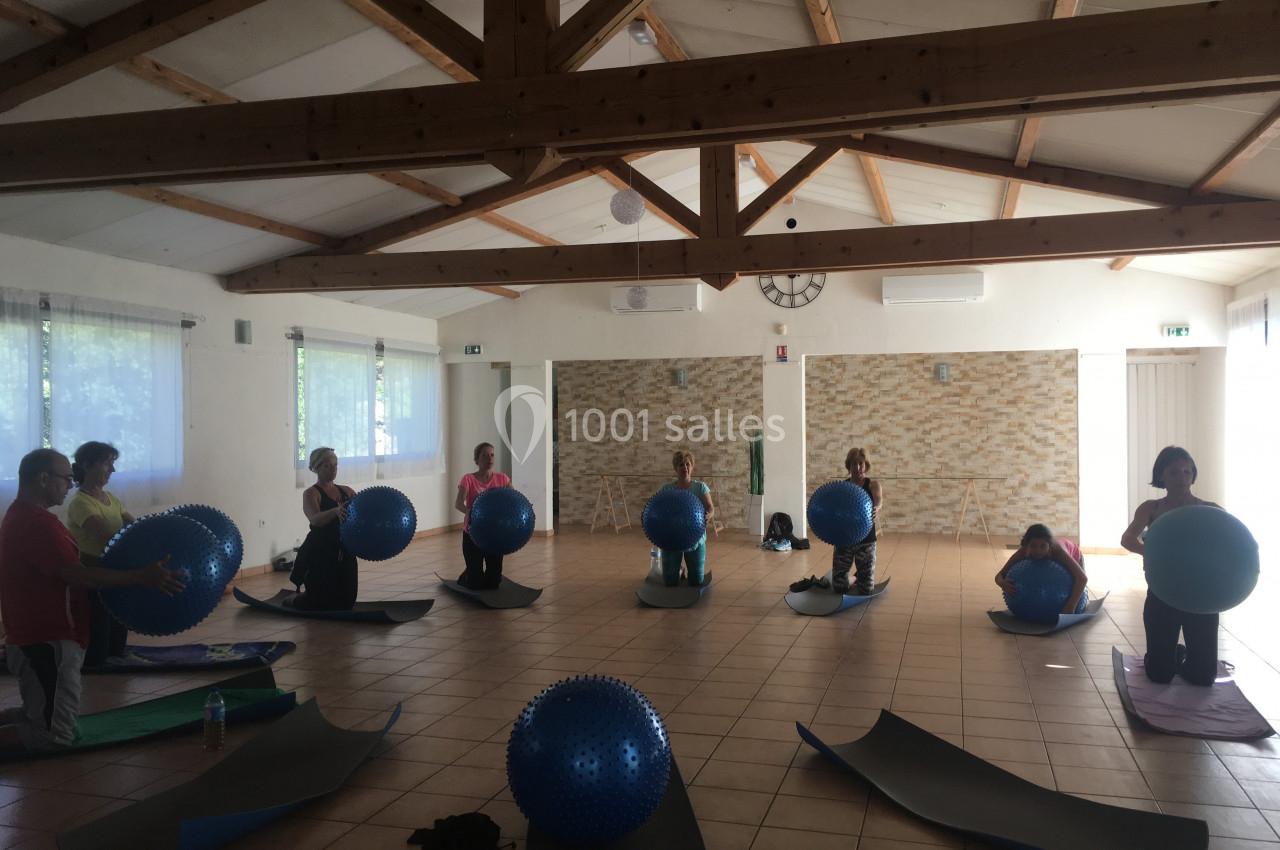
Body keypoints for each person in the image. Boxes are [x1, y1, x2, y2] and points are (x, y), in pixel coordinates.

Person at [0, 449, 182, 754]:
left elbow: (74, 560)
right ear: (43, 478)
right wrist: (139, 577)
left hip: (42, 638)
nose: (70, 485)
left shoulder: (29, 516)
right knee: (54, 735)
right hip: (47, 641)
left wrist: (128, 570)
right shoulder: (36, 524)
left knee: (41, 713)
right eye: (66, 479)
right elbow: (78, 575)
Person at [1121, 445, 1220, 686]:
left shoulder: (1210, 509)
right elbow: (1127, 539)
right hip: (1162, 593)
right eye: (1174, 472)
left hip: (1201, 597)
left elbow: (1228, 545)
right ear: (1161, 476)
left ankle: (1182, 655)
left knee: (1204, 678)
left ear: (1193, 475)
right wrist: (1155, 553)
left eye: (1187, 472)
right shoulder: (1151, 508)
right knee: (1160, 675)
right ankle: (1166, 655)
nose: (1182, 478)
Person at [65, 441, 136, 667]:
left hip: (116, 576)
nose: (112, 470)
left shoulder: (112, 499)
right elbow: (107, 537)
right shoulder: (80, 503)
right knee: (98, 646)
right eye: (107, 464)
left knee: (117, 643)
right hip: (94, 578)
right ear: (87, 465)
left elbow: (134, 527)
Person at [289, 447, 358, 610]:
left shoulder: (347, 491)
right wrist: (335, 511)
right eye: (327, 466)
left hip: (344, 550)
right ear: (316, 468)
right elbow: (315, 519)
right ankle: (295, 600)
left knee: (347, 602)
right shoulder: (311, 493)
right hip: (320, 550)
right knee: (318, 603)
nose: (333, 469)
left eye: (335, 465)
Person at [994, 523, 1088, 615]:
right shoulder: (1023, 551)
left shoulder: (1058, 552)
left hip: (1075, 554)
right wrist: (1002, 583)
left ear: (1049, 546)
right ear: (1027, 545)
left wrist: (1070, 607)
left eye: (1043, 546)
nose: (1038, 551)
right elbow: (999, 575)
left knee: (1079, 592)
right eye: (1033, 546)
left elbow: (1082, 579)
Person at [455, 442, 511, 589]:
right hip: (473, 533)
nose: (489, 458)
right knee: (475, 584)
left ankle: (479, 573)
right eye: (485, 455)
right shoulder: (468, 479)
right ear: (477, 459)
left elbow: (513, 501)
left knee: (493, 583)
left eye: (492, 455)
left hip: (494, 534)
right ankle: (468, 574)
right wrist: (472, 513)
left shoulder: (502, 479)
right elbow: (459, 503)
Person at [657, 450, 715, 588]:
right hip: (672, 538)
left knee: (696, 582)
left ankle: (688, 570)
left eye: (687, 464)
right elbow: (658, 509)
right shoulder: (667, 489)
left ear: (692, 466)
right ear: (676, 468)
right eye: (681, 465)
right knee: (670, 583)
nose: (685, 468)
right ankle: (680, 570)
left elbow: (711, 508)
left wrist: (708, 515)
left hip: (695, 538)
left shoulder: (700, 487)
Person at [831, 447, 882, 595]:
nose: (858, 467)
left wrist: (876, 508)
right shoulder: (843, 487)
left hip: (866, 539)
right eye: (854, 464)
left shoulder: (873, 485)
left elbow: (879, 501)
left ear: (866, 465)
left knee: (866, 590)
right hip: (844, 539)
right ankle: (853, 578)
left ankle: (861, 576)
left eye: (861, 463)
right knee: (839, 588)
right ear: (849, 466)